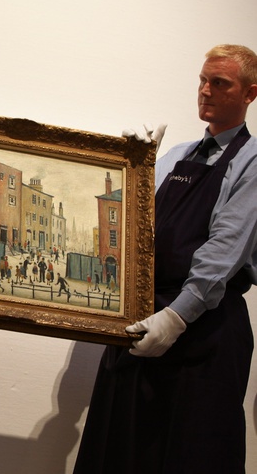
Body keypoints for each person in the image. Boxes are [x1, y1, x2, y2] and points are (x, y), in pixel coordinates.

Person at [74, 44, 257, 474]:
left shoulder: (252, 162)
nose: (205, 91)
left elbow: (224, 250)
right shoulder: (174, 155)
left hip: (204, 332)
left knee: (190, 454)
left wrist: (176, 317)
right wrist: (133, 168)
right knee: (120, 451)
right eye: (203, 80)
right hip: (142, 321)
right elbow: (134, 230)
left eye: (219, 83)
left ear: (250, 94)